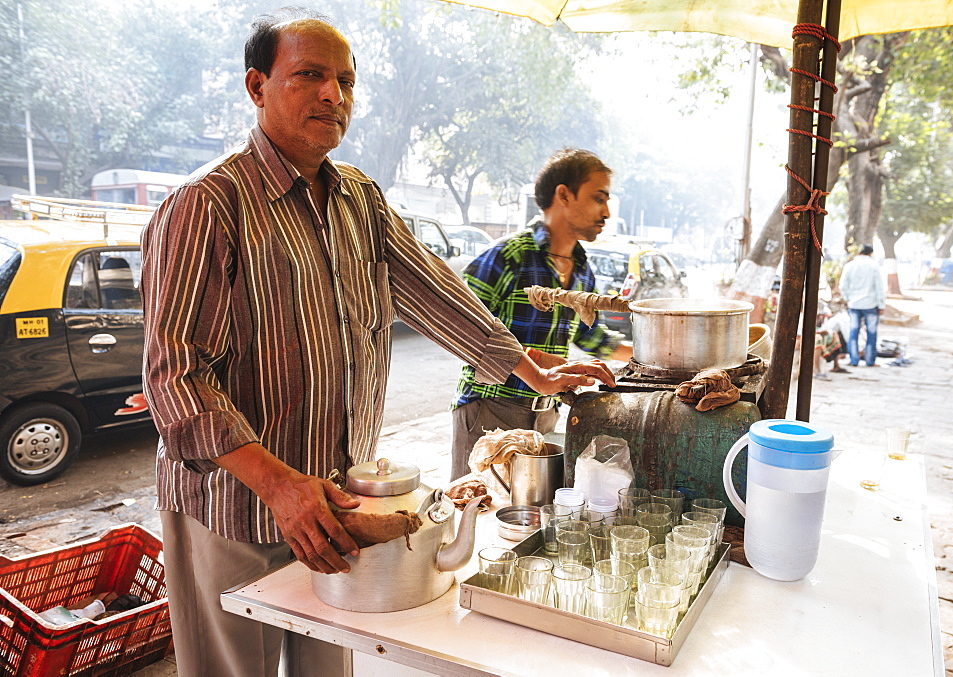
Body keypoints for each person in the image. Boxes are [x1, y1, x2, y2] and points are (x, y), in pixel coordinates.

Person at [140, 10, 615, 676]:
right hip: (234, 506)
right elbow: (176, 378)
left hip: (340, 504)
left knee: (329, 663)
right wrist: (281, 488)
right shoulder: (205, 204)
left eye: (346, 81)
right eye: (310, 75)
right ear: (257, 86)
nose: (334, 96)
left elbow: (439, 295)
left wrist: (534, 371)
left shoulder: (360, 198)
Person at [450, 149, 631, 481]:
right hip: (490, 412)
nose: (606, 212)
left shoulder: (582, 272)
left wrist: (658, 359)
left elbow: (592, 338)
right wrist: (535, 361)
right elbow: (459, 329)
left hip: (547, 415)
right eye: (598, 198)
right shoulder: (507, 257)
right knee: (476, 508)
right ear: (563, 194)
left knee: (527, 516)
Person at [839, 244, 885, 367]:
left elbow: (842, 286)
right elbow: (879, 287)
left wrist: (848, 299)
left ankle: (854, 360)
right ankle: (870, 361)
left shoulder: (849, 266)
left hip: (854, 304)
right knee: (871, 333)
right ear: (870, 253)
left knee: (853, 332)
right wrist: (881, 304)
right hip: (871, 304)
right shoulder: (874, 265)